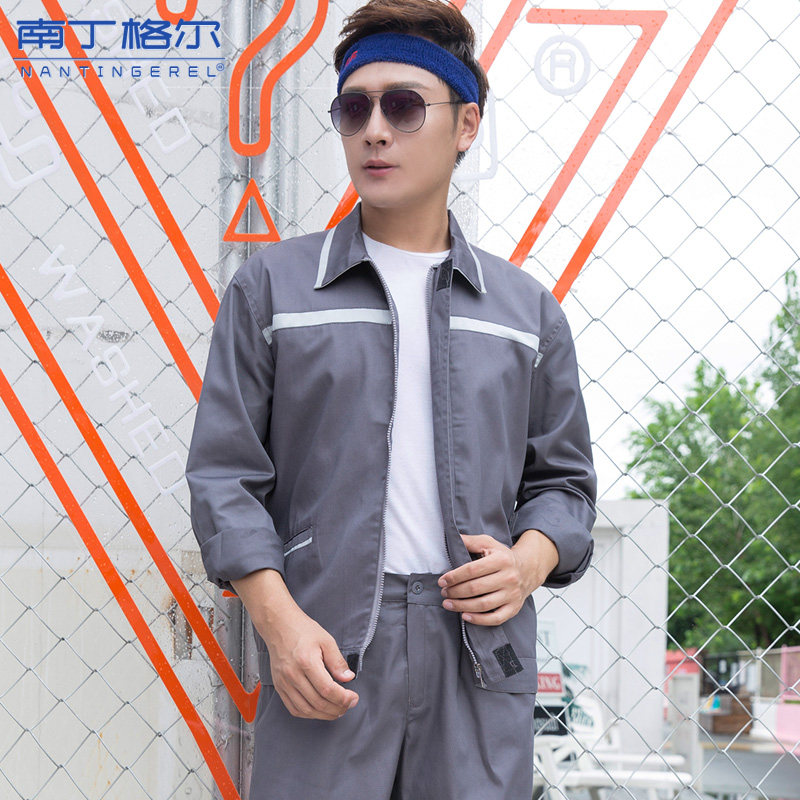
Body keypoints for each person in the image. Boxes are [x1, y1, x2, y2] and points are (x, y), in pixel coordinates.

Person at [185, 0, 597, 797]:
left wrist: (528, 562)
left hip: (477, 654)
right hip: (326, 649)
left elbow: (566, 484)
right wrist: (277, 621)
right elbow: (224, 475)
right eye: (354, 109)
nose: (375, 131)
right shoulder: (274, 289)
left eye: (404, 107)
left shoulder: (525, 313)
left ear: (466, 124)